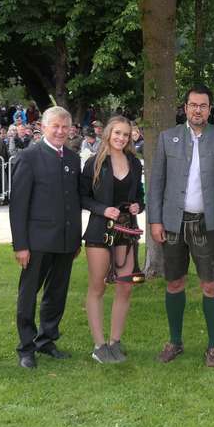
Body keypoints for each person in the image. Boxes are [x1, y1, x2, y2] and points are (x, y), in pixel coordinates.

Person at [147, 85, 214, 367]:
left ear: (210, 109)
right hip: (173, 223)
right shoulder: (167, 138)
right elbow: (156, 183)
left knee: (210, 285)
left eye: (203, 105)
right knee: (174, 283)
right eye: (193, 105)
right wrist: (155, 220)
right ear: (185, 108)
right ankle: (175, 341)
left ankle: (213, 346)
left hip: (207, 224)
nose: (197, 110)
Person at [9, 106, 82, 369]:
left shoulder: (74, 159)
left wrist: (76, 239)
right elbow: (18, 205)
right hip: (36, 241)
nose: (61, 131)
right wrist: (21, 245)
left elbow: (73, 200)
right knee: (28, 294)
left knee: (57, 292)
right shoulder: (28, 157)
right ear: (43, 127)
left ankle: (46, 339)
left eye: (65, 127)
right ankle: (26, 346)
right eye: (56, 126)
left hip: (65, 241)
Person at [80, 116, 145, 363]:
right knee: (98, 286)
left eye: (126, 135)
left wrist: (140, 204)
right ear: (108, 133)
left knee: (125, 286)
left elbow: (139, 194)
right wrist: (102, 209)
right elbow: (82, 197)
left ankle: (115, 341)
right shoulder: (95, 162)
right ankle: (99, 345)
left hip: (126, 230)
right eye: (117, 133)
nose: (122, 138)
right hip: (100, 229)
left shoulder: (134, 162)